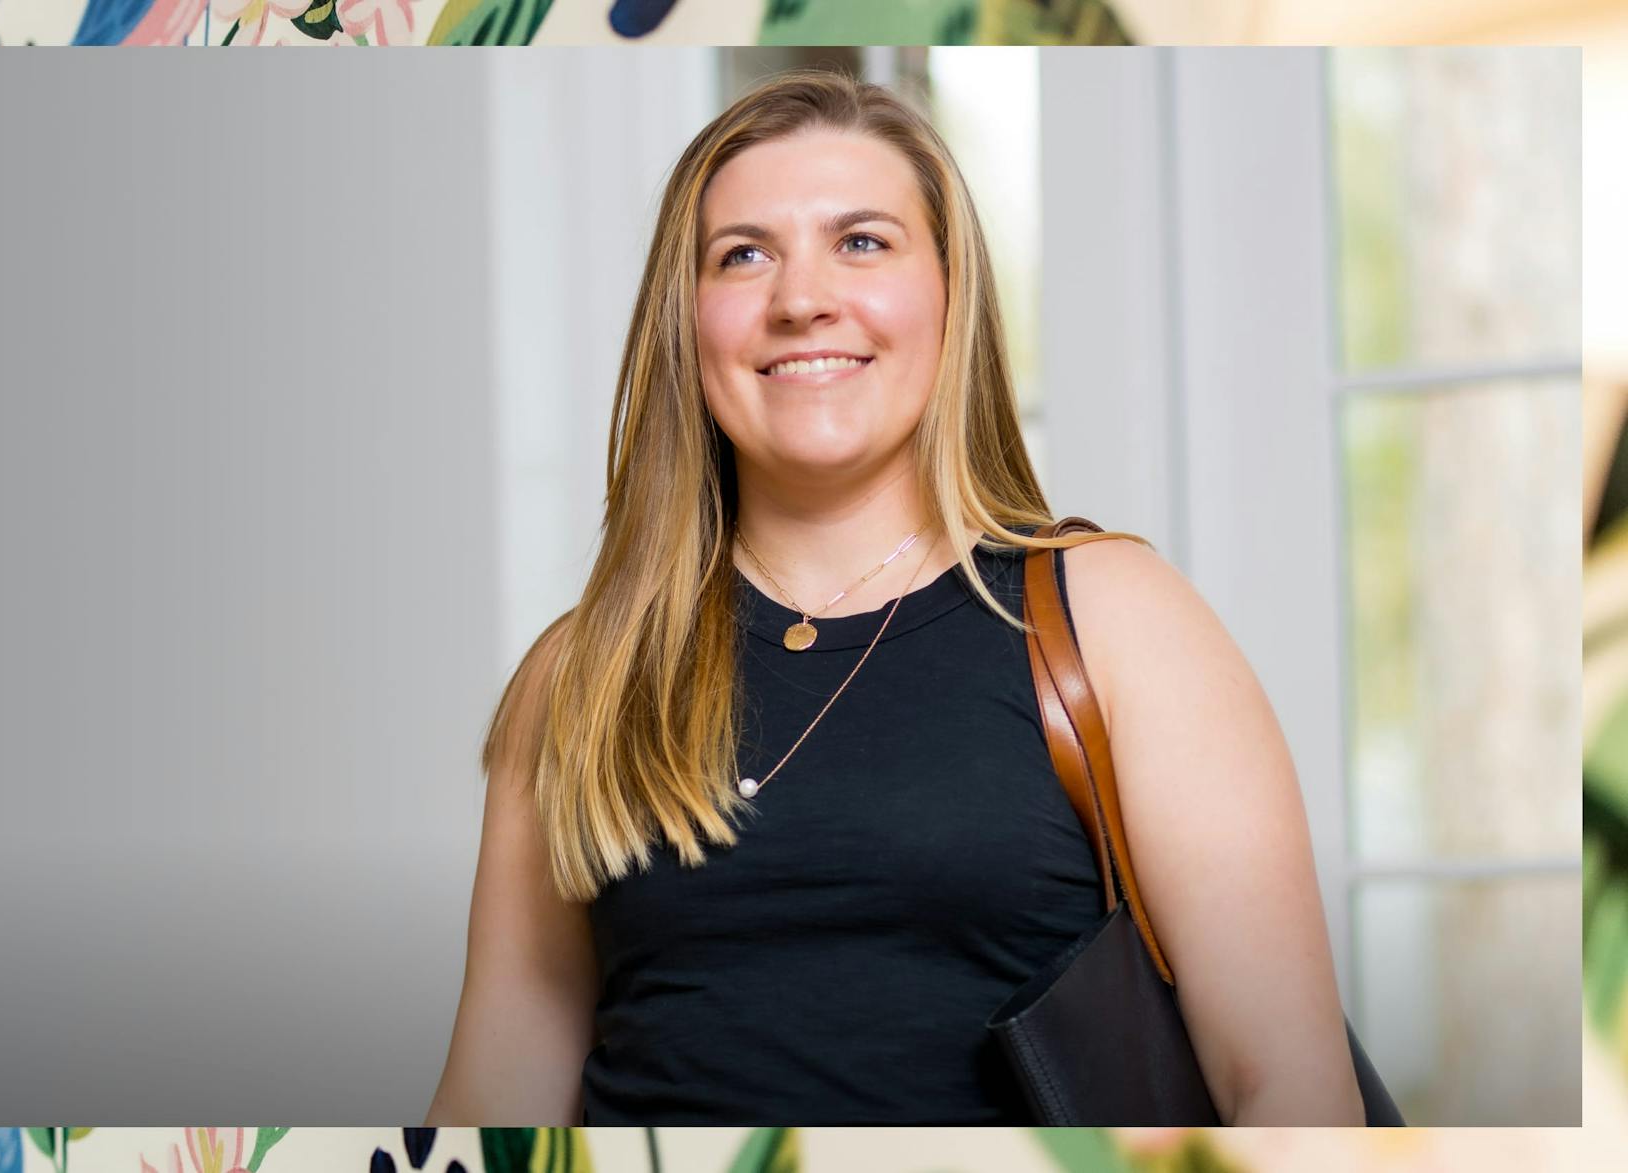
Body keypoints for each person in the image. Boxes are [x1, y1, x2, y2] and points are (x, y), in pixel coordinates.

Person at [423, 69, 1364, 1126]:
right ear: (684, 323)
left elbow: (1289, 1094)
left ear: (950, 295)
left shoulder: (1113, 617)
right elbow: (492, 1114)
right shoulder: (579, 674)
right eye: (743, 255)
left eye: (862, 242)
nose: (800, 298)